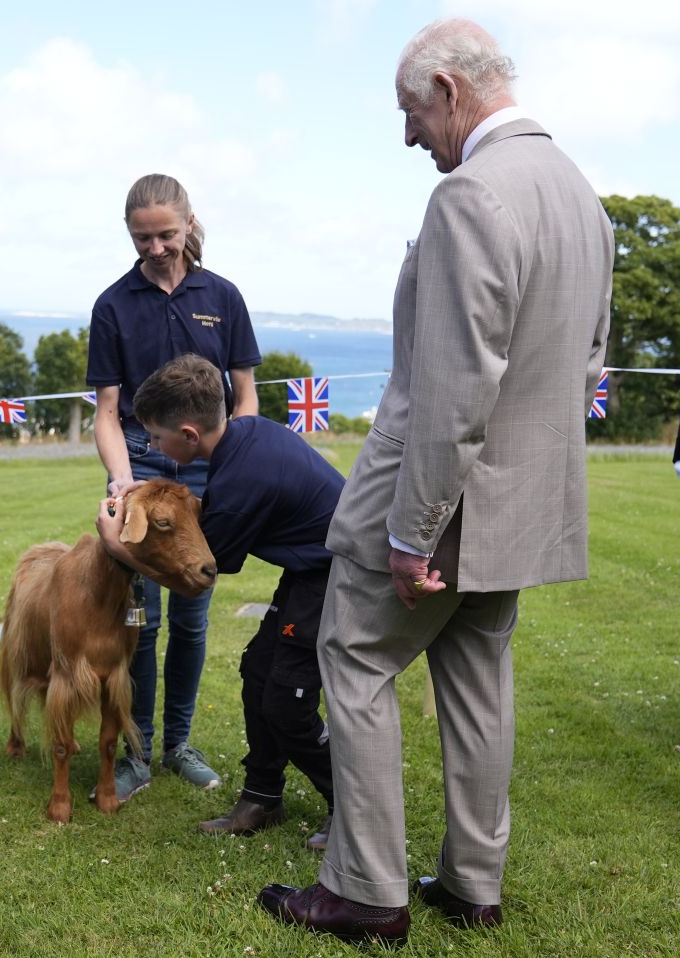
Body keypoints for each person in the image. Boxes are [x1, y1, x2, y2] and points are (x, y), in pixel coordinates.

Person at [258, 19, 613, 946]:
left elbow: (456, 386)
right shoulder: (581, 195)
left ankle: (366, 889)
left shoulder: (471, 196)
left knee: (356, 658)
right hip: (520, 511)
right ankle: (471, 883)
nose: (410, 135)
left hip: (441, 510)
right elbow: (584, 370)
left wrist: (416, 531)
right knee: (476, 677)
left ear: (451, 91)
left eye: (412, 113)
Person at [97, 354, 339, 850]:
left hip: (344, 576)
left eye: (157, 439)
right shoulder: (245, 437)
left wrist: (116, 546)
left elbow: (198, 578)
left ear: (188, 435)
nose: (154, 449)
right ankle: (262, 797)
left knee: (288, 701)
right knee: (258, 672)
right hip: (312, 572)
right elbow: (209, 512)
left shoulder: (236, 483)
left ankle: (354, 807)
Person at [85, 174, 261, 802]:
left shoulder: (224, 296)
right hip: (139, 463)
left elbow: (244, 398)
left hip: (208, 471)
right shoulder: (113, 305)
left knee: (191, 618)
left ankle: (178, 743)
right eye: (142, 238)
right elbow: (107, 410)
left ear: (188, 222)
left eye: (165, 234)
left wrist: (235, 468)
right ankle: (135, 751)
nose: (155, 248)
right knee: (140, 620)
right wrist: (122, 480)